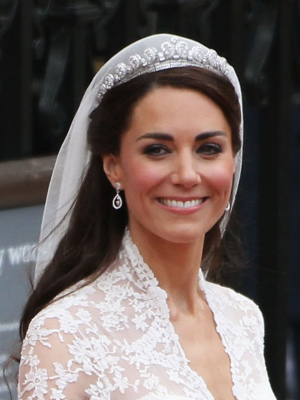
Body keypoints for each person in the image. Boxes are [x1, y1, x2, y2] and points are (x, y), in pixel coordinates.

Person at [17, 34, 276, 400]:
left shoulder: (244, 318)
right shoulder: (66, 334)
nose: (187, 174)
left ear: (234, 160)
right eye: (157, 150)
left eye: (209, 149)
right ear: (113, 166)